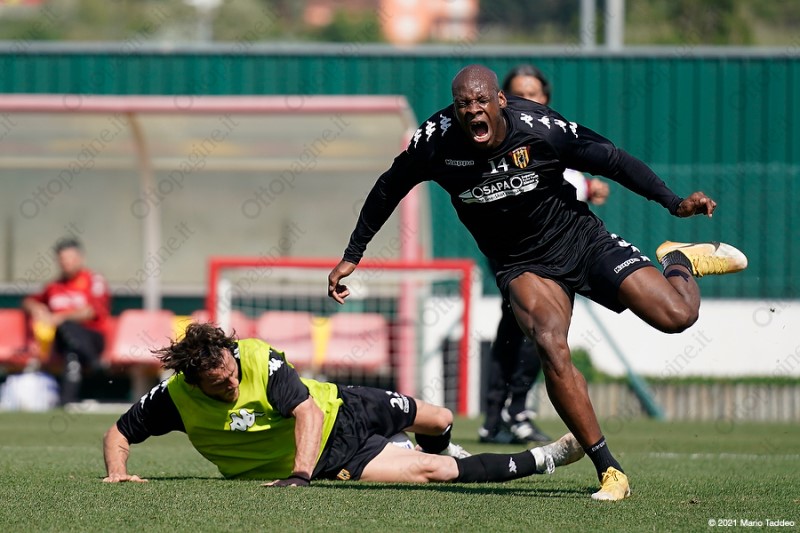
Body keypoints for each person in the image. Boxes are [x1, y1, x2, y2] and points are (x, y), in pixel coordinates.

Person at [327, 64, 747, 500]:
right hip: (522, 263)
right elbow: (388, 187)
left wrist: (674, 203)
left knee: (678, 316)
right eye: (463, 104)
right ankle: (609, 469)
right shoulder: (435, 141)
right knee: (549, 342)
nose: (473, 110)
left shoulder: (541, 129)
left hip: (581, 241)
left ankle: (678, 259)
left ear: (500, 101)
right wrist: (352, 255)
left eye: (481, 100)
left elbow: (613, 160)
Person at [102, 322, 584, 486]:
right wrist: (117, 472)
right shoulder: (174, 397)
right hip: (335, 457)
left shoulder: (257, 358)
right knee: (432, 473)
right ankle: (547, 458)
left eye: (232, 371)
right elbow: (118, 432)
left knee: (441, 418)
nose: (232, 381)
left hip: (343, 406)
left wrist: (297, 477)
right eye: (220, 384)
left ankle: (422, 444)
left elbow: (307, 411)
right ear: (194, 383)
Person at [479, 65, 612, 446]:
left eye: (533, 94)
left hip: (549, 246)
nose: (526, 101)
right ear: (502, 100)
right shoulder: (496, 137)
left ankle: (502, 415)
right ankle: (509, 413)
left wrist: (588, 185)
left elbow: (559, 177)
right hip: (512, 249)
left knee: (524, 328)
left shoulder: (551, 132)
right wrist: (586, 187)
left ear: (546, 99)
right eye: (518, 94)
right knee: (532, 326)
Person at [22, 237, 110, 405]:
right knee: (71, 354)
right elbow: (29, 301)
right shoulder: (54, 286)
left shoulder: (93, 280)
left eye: (70, 258)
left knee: (67, 332)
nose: (66, 263)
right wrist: (36, 307)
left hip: (92, 338)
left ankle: (92, 362)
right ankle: (68, 400)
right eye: (62, 259)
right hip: (63, 341)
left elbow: (92, 311)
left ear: (80, 258)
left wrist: (58, 318)